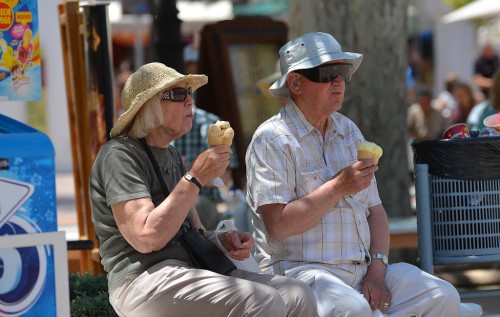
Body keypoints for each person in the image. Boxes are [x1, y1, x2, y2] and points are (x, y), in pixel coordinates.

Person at [246, 32, 461, 317]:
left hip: (361, 272)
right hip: (301, 275)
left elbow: (376, 212)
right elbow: (278, 226)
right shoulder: (271, 139)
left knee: (443, 296)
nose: (338, 81)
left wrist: (377, 270)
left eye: (343, 72)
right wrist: (337, 187)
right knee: (356, 311)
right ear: (295, 83)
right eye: (327, 73)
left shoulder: (348, 131)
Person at [89, 62, 318, 317]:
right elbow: (147, 237)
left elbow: (194, 231)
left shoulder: (171, 155)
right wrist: (195, 177)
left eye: (190, 93)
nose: (190, 102)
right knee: (261, 300)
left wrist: (223, 241)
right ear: (149, 105)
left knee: (298, 295)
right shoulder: (119, 155)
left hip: (188, 269)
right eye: (178, 94)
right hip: (142, 280)